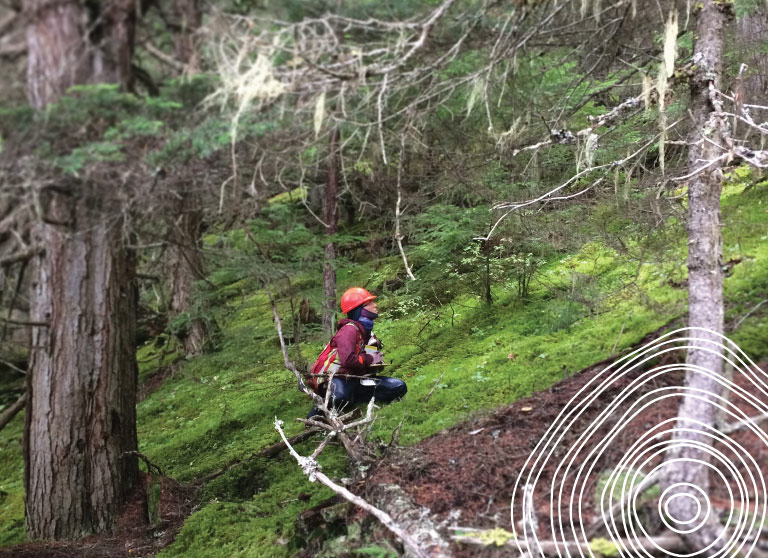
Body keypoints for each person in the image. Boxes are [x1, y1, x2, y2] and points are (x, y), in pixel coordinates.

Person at [307, 287, 407, 419]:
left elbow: (368, 362)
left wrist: (377, 363)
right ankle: (315, 416)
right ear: (360, 309)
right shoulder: (349, 330)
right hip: (337, 378)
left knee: (399, 387)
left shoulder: (369, 334)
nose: (375, 305)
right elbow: (348, 360)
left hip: (358, 380)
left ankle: (354, 399)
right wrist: (371, 359)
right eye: (370, 303)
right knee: (340, 398)